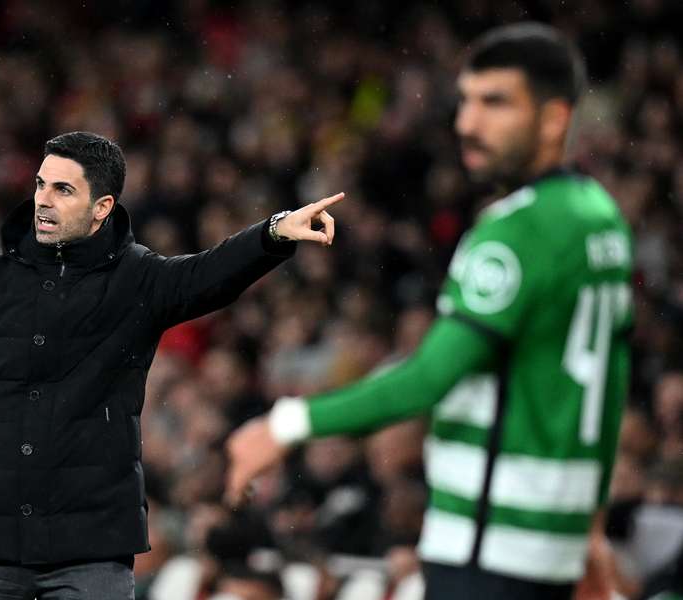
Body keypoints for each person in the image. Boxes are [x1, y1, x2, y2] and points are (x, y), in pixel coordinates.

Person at [226, 22, 633, 600]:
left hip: (488, 542)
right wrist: (588, 527)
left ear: (555, 118)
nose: (468, 123)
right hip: (554, 541)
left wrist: (286, 424)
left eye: (496, 104)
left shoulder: (512, 235)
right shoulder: (601, 219)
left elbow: (429, 378)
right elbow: (608, 382)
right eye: (466, 101)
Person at [0, 131, 344, 599]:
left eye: (63, 190)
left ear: (102, 207)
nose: (42, 199)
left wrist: (275, 233)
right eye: (41, 184)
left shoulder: (140, 280)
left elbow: (210, 273)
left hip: (91, 544)